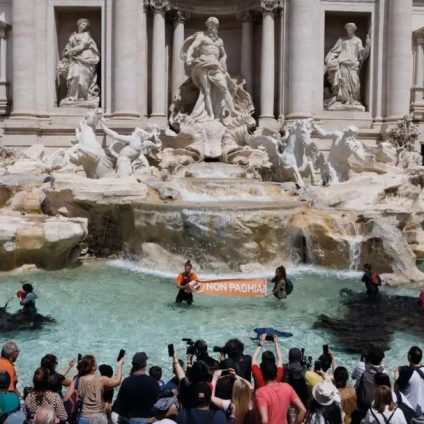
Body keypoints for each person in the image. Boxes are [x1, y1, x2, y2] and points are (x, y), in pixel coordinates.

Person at [182, 17, 239, 122]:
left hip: (216, 65)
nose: (212, 26)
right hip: (203, 63)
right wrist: (189, 57)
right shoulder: (202, 37)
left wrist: (223, 61)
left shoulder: (219, 41)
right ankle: (211, 115)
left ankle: (232, 110)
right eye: (210, 24)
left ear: (217, 26)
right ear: (207, 25)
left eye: (214, 24)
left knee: (224, 87)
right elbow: (192, 48)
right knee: (207, 90)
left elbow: (224, 54)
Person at [324, 22, 370, 110]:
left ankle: (354, 100)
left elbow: (362, 53)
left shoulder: (358, 40)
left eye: (350, 29)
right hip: (343, 63)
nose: (349, 30)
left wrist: (367, 45)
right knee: (343, 82)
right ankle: (344, 101)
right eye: (347, 29)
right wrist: (331, 59)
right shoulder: (342, 40)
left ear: (353, 29)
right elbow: (335, 50)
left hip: (353, 64)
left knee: (355, 82)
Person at [66, 354, 123, 424]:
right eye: (96, 363)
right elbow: (117, 382)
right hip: (99, 417)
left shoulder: (77, 380)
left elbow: (66, 398)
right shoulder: (102, 380)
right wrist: (120, 365)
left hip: (83, 417)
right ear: (93, 367)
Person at [60, 18, 100, 105]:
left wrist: (69, 51)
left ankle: (82, 97)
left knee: (83, 80)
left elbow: (81, 47)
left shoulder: (86, 35)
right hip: (75, 60)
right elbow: (67, 48)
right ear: (79, 24)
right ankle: (72, 96)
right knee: (75, 75)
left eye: (85, 25)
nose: (84, 26)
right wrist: (66, 55)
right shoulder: (73, 36)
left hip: (86, 60)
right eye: (83, 24)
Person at [112, 352, 159, 423]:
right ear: (145, 364)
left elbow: (119, 405)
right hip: (148, 420)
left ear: (133, 365)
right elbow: (157, 404)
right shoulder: (154, 382)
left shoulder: (126, 382)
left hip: (130, 420)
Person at [356, 345, 386, 414]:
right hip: (378, 405)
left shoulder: (365, 374)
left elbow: (359, 387)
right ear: (381, 360)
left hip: (365, 404)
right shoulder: (384, 373)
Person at [395, 346, 424, 417]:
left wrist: (396, 375)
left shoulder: (406, 372)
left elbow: (396, 389)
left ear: (410, 357)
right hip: (422, 410)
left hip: (409, 411)